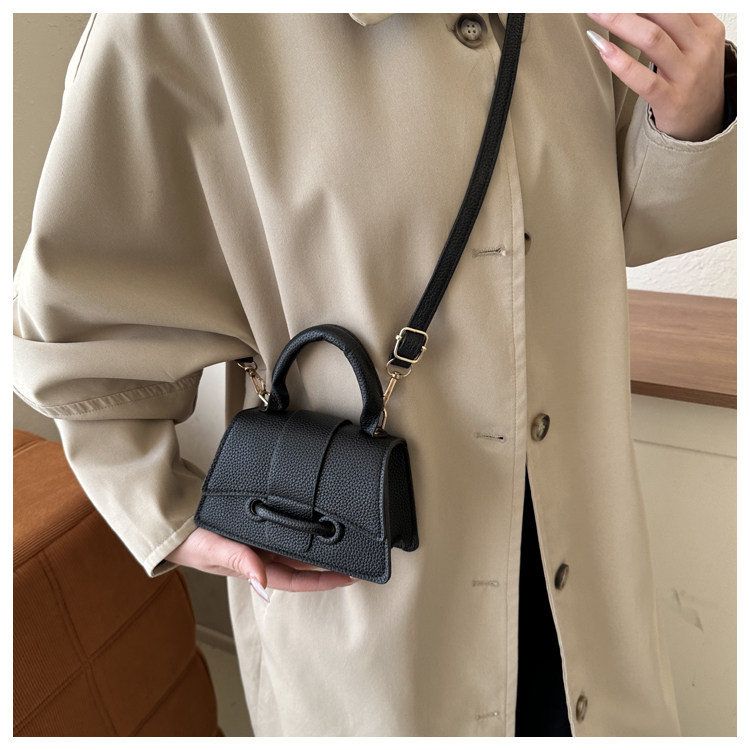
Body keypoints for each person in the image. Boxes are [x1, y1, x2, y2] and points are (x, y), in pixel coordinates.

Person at [13, 13, 736, 737]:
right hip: (367, 597)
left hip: (584, 570)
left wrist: (695, 112)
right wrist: (162, 510)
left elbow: (614, 215)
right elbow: (79, 313)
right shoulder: (182, 23)